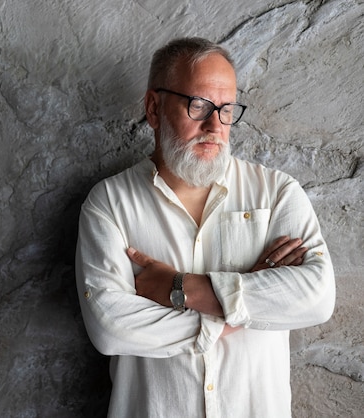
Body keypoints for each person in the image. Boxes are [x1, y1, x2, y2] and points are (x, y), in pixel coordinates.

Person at [75, 37, 335, 418]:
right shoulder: (109, 203)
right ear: (153, 107)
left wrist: (183, 289)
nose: (215, 125)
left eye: (227, 109)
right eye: (199, 106)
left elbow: (316, 297)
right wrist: (237, 307)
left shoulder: (277, 193)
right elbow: (111, 329)